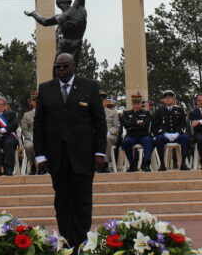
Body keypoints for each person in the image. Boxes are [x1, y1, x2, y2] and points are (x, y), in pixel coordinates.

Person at [33, 53, 106, 253]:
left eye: (65, 66)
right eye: (58, 67)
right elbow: (39, 125)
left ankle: (82, 242)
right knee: (62, 200)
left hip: (83, 154)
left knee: (83, 200)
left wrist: (100, 152)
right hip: (56, 156)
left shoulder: (88, 86)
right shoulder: (46, 89)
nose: (61, 70)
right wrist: (40, 155)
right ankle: (66, 242)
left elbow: (99, 123)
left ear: (73, 66)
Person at [152, 90, 190, 171]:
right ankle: (162, 163)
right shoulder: (159, 110)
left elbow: (183, 124)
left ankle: (183, 162)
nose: (168, 99)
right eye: (166, 98)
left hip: (177, 134)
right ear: (163, 100)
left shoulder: (180, 110)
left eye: (170, 97)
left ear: (173, 99)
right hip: (165, 135)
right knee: (159, 139)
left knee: (186, 138)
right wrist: (165, 133)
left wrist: (177, 133)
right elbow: (156, 125)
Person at [121, 93, 154, 172]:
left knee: (148, 140)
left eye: (138, 104)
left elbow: (146, 125)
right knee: (126, 142)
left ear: (140, 104)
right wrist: (136, 123)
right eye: (134, 104)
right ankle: (132, 164)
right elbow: (125, 125)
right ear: (132, 104)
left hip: (143, 135)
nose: (136, 106)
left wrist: (132, 125)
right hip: (131, 136)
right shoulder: (126, 113)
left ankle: (146, 163)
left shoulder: (146, 113)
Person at [0, 96, 19, 176]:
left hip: (9, 136)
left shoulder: (11, 114)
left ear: (5, 105)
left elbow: (15, 124)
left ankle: (9, 169)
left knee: (8, 143)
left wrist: (2, 130)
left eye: (1, 104)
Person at [100, 93, 120, 172]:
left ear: (105, 102)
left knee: (106, 138)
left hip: (110, 135)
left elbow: (117, 127)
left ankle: (105, 163)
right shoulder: (92, 112)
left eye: (102, 101)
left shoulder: (113, 112)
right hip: (97, 135)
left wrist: (109, 132)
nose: (100, 103)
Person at [20, 91, 38, 174]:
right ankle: (33, 165)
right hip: (30, 138)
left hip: (45, 138)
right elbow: (24, 129)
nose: (37, 102)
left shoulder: (47, 113)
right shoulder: (26, 115)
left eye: (38, 100)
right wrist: (32, 137)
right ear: (32, 102)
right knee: (29, 146)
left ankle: (46, 166)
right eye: (35, 100)